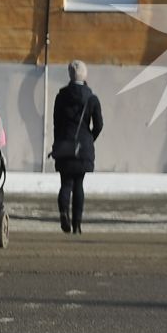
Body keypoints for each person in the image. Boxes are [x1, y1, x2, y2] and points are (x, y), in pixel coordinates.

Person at [51, 60, 104, 234]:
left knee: (66, 183)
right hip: (83, 147)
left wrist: (59, 142)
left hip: (65, 145)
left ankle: (63, 213)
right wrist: (90, 138)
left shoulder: (61, 97)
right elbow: (99, 125)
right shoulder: (92, 99)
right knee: (79, 184)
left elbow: (56, 123)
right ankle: (77, 225)